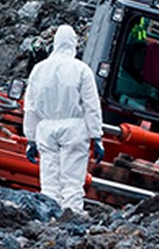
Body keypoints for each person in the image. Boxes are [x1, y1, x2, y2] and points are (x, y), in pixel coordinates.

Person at [23, 25, 105, 213]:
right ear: (74, 44)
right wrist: (97, 136)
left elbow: (31, 106)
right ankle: (71, 219)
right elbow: (91, 106)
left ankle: (48, 217)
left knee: (49, 182)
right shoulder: (81, 69)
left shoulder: (39, 69)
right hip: (74, 129)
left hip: (46, 129)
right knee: (72, 182)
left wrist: (31, 139)